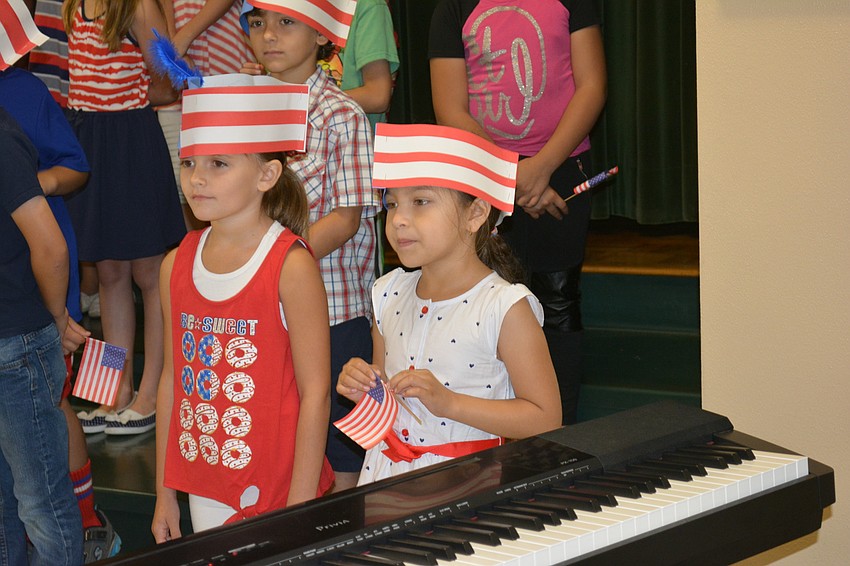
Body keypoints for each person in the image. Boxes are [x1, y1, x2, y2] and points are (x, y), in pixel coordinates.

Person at [151, 74, 334, 539]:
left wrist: (298, 508)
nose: (197, 178)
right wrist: (164, 493)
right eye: (189, 162)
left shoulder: (290, 266)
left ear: (267, 175)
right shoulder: (176, 264)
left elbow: (316, 394)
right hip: (201, 482)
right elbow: (173, 379)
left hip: (276, 491)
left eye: (218, 164)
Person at [338, 123, 562, 484]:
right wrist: (366, 386)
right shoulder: (387, 292)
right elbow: (389, 395)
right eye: (392, 203)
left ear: (475, 214)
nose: (398, 219)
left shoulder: (503, 307)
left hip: (468, 482)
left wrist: (450, 403)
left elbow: (545, 417)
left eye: (420, 202)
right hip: (387, 476)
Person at [428, 0, 608, 424]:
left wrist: (541, 168)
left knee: (558, 297)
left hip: (560, 168)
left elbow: (592, 86)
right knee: (490, 299)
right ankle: (500, 425)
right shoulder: (452, 8)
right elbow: (450, 109)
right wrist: (510, 173)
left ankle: (560, 431)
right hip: (485, 173)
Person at [240, 0, 379, 492]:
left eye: (285, 23)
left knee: (341, 451)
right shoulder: (246, 111)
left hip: (333, 310)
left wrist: (275, 262)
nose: (268, 35)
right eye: (257, 23)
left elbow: (345, 218)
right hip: (265, 309)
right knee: (284, 433)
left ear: (322, 36)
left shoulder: (342, 116)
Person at [2, 2, 121, 559]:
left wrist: (29, 186)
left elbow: (76, 167)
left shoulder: (23, 96)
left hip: (38, 277)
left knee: (52, 394)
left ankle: (86, 513)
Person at [62, 0, 187, 435]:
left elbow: (170, 80)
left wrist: (130, 96)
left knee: (149, 274)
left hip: (129, 141)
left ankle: (150, 392)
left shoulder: (134, 7)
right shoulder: (76, 6)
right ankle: (113, 389)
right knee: (111, 271)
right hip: (92, 140)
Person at [0, 103, 85, 564]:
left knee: (40, 503)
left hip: (13, 343)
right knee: (28, 503)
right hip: (15, 337)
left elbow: (51, 247)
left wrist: (52, 321)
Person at [158, 0, 257, 230]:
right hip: (177, 87)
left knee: (233, 182)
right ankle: (197, 259)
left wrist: (184, 37)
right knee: (187, 187)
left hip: (227, 62)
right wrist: (175, 44)